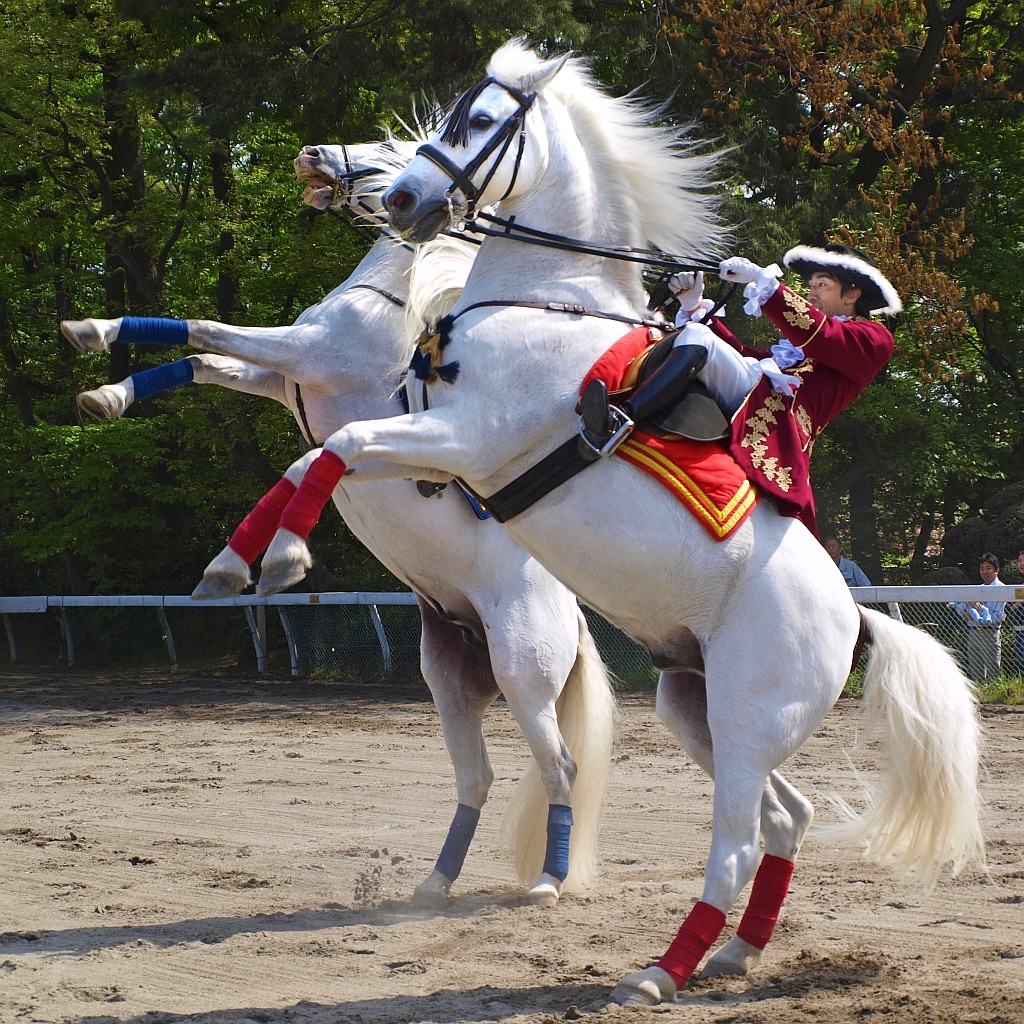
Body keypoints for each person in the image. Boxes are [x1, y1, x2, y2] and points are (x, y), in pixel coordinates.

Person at [583, 243, 900, 537]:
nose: (812, 292)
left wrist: (767, 283)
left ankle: (622, 419)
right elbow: (746, 356)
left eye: (822, 284)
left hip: (779, 424)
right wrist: (694, 305)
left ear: (852, 294)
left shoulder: (874, 338)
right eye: (812, 284)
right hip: (759, 396)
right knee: (695, 335)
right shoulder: (806, 342)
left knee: (698, 337)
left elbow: (821, 335)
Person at [948, 553, 1008, 683]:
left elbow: (998, 615)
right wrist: (968, 608)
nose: (985, 572)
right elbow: (962, 609)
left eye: (988, 568)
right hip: (974, 632)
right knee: (976, 670)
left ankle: (995, 696)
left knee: (993, 671)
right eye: (982, 568)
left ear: (996, 570)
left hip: (989, 632)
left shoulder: (1001, 589)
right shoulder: (977, 589)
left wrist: (978, 615)